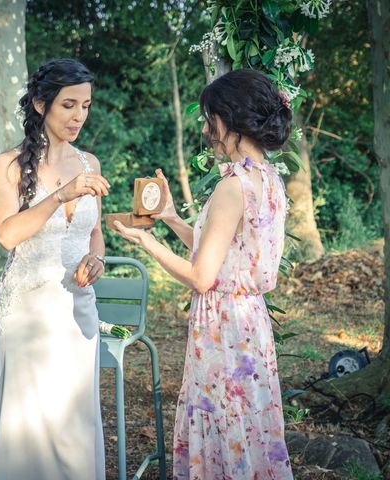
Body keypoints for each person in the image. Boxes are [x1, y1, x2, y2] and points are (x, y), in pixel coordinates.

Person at [115, 69, 294, 479]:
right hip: (250, 322)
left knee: (223, 421)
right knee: (248, 424)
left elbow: (202, 276)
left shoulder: (232, 186)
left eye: (209, 118)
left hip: (223, 329)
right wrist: (174, 220)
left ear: (230, 120)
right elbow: (227, 254)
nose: (205, 128)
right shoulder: (269, 179)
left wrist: (147, 243)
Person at [0, 58, 109, 480]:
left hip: (77, 312)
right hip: (28, 313)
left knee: (71, 425)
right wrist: (59, 195)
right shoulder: (9, 165)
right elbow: (7, 235)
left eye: (86, 106)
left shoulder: (90, 163)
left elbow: (95, 235)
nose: (79, 117)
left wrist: (97, 261)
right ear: (40, 105)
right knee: (29, 426)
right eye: (69, 105)